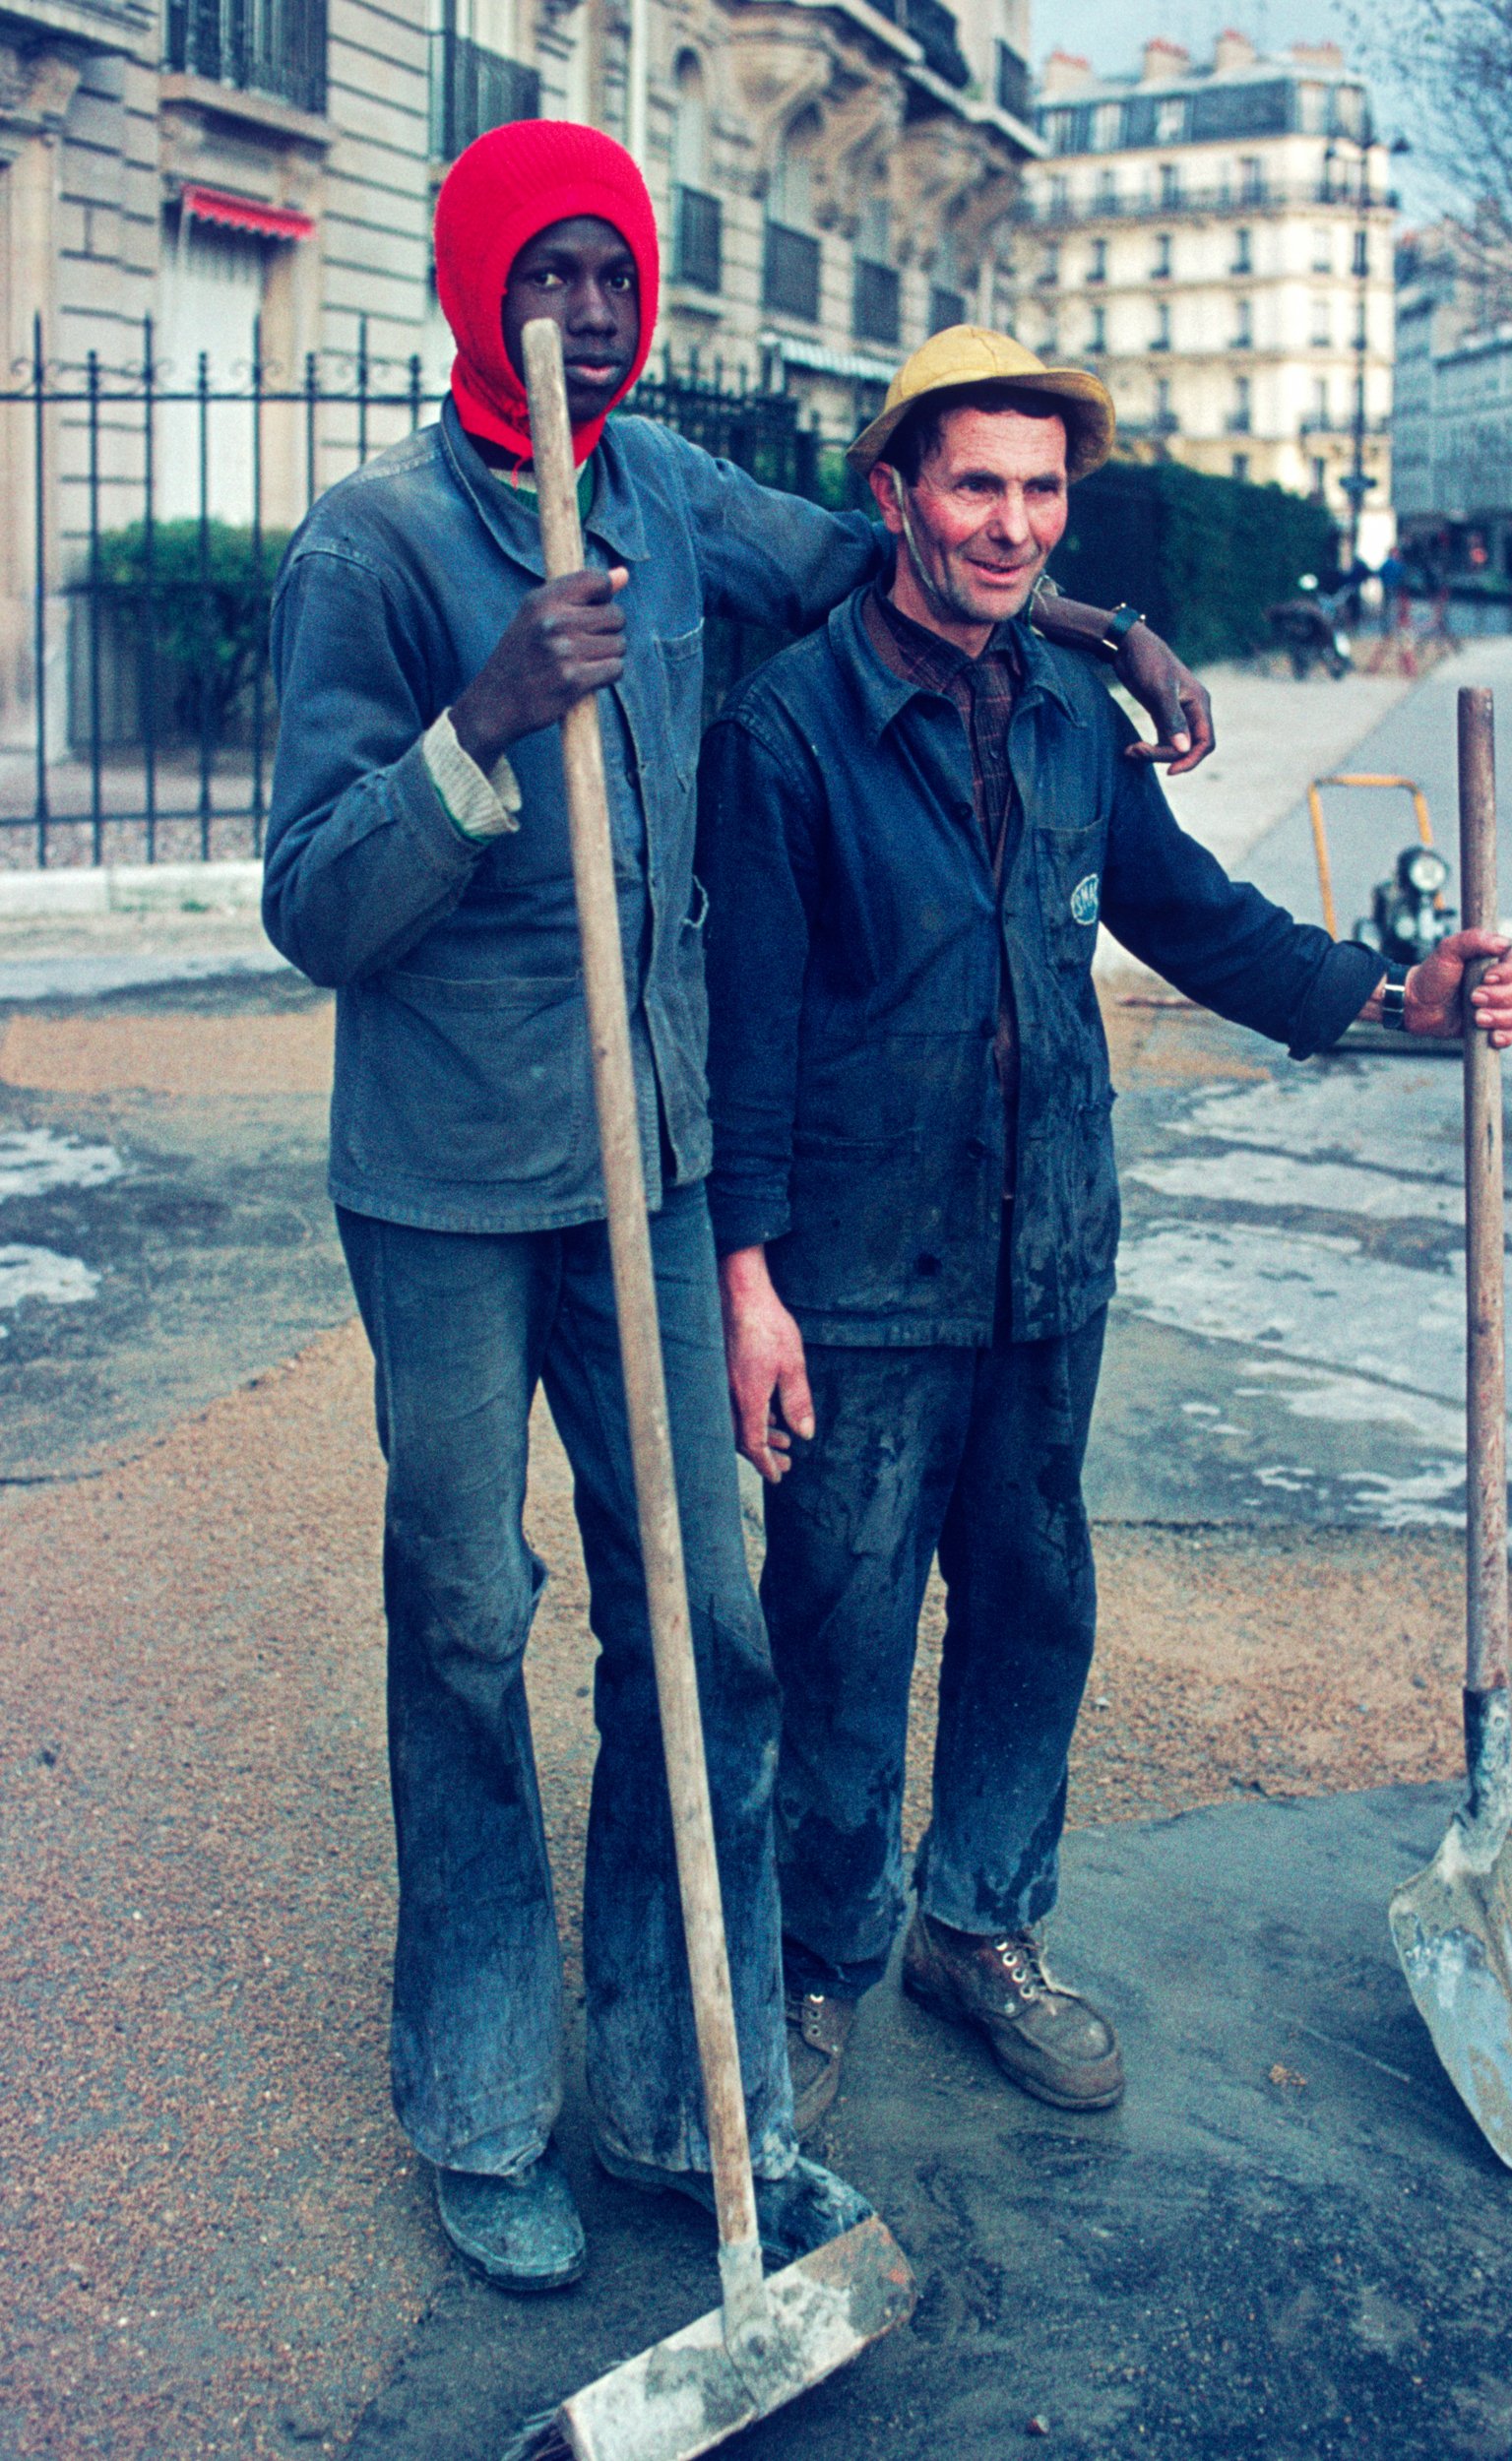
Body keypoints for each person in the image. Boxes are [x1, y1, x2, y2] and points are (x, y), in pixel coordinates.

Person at [260, 128, 1211, 2293]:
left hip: (656, 1172)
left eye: (616, 278)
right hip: (446, 1185)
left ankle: (681, 2095)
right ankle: (483, 2097)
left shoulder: (677, 496)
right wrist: (481, 719)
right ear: (471, 287)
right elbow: (315, 904)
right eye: (547, 275)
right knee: (468, 1624)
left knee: (705, 1623)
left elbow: (896, 559)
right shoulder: (375, 549)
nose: (583, 318)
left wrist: (1100, 623)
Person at [698, 329, 1512, 2134]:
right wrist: (747, 1286)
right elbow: (742, 1036)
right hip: (855, 1270)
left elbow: (1194, 918)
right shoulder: (787, 733)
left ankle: (980, 1925)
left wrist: (1401, 987)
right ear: (897, 495)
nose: (1010, 526)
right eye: (978, 485)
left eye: (1042, 491)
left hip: (1044, 1246)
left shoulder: (1075, 710)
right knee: (836, 1625)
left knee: (1031, 1603)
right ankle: (823, 1958)